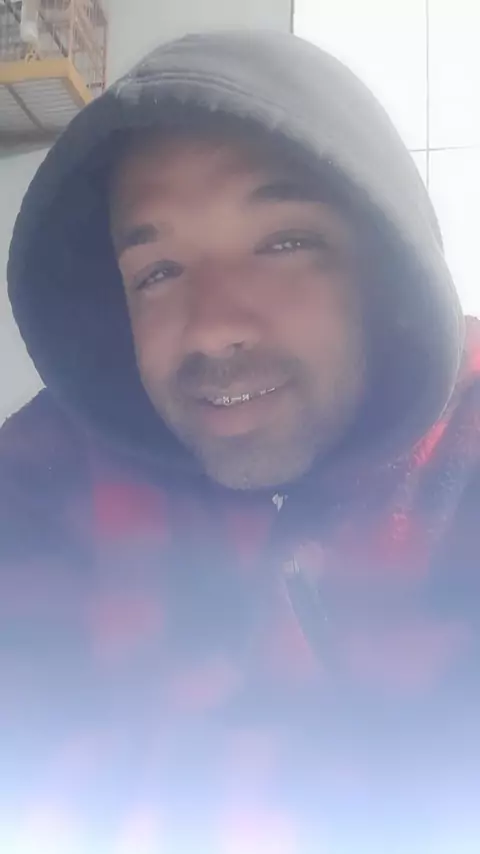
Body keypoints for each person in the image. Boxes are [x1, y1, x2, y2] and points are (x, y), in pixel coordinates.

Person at [1, 29, 479, 852]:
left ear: (383, 265)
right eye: (158, 273)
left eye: (283, 244)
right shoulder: (41, 481)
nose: (213, 326)